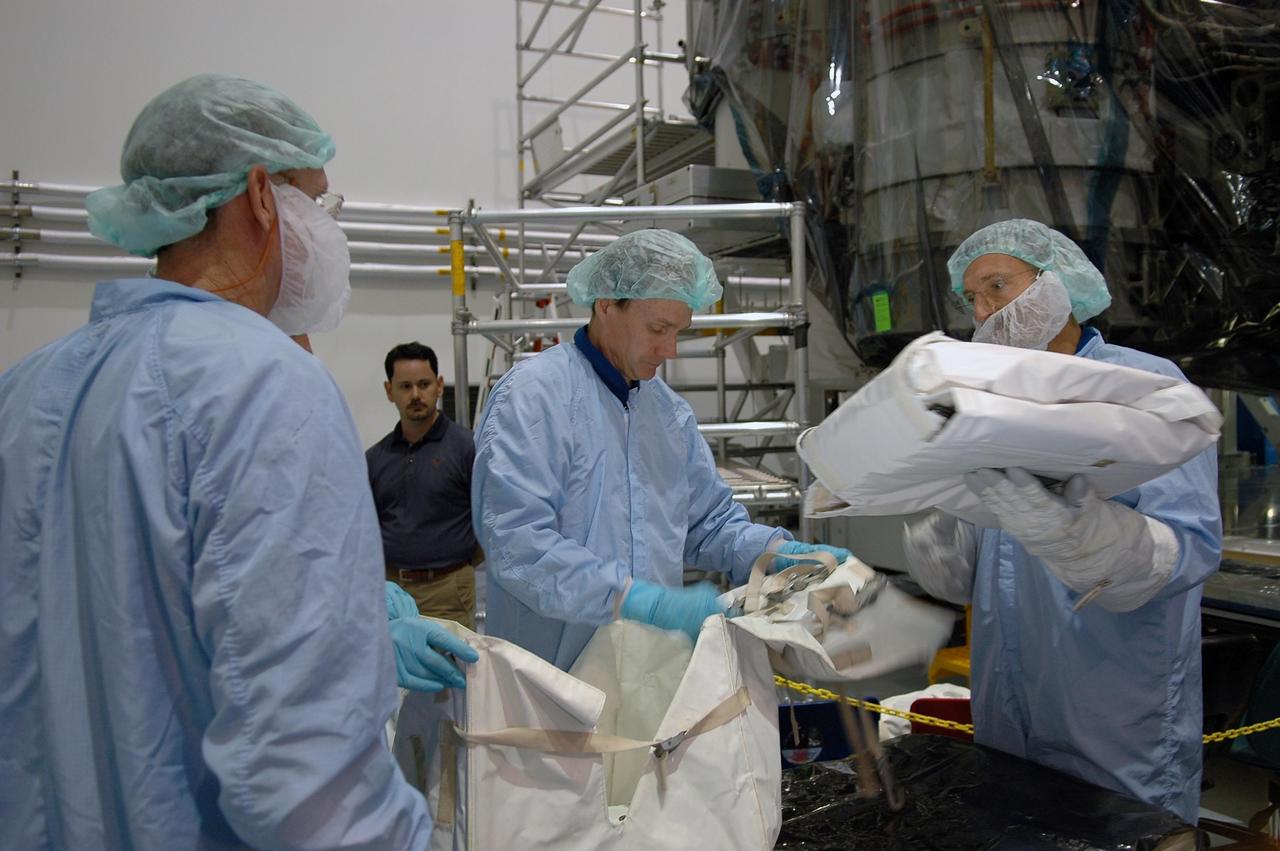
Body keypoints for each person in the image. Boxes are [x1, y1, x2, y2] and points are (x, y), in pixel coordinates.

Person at [0, 74, 476, 850]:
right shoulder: (266, 383)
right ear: (261, 196)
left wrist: (371, 634)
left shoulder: (27, 390)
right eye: (318, 204)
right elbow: (302, 780)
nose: (327, 229)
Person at [904, 218, 1222, 822]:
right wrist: (932, 499)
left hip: (1113, 702)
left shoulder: (1143, 386)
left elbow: (1189, 551)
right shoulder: (987, 404)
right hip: (1010, 704)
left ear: (1057, 286)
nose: (984, 311)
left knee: (1125, 830)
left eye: (997, 286)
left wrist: (1076, 534)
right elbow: (956, 579)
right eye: (972, 298)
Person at [471, 228, 852, 670]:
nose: (669, 349)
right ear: (606, 305)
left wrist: (774, 550)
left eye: (679, 331)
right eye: (658, 328)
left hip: (645, 676)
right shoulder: (533, 398)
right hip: (549, 676)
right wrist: (633, 601)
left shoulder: (667, 415)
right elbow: (517, 545)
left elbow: (706, 525)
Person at [369, 341, 479, 628]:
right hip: (391, 592)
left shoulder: (467, 448)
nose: (416, 395)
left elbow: (488, 518)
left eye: (424, 384)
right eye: (405, 386)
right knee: (396, 673)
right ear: (389, 390)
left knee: (453, 671)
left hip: (449, 593)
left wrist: (459, 566)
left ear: (439, 386)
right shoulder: (375, 458)